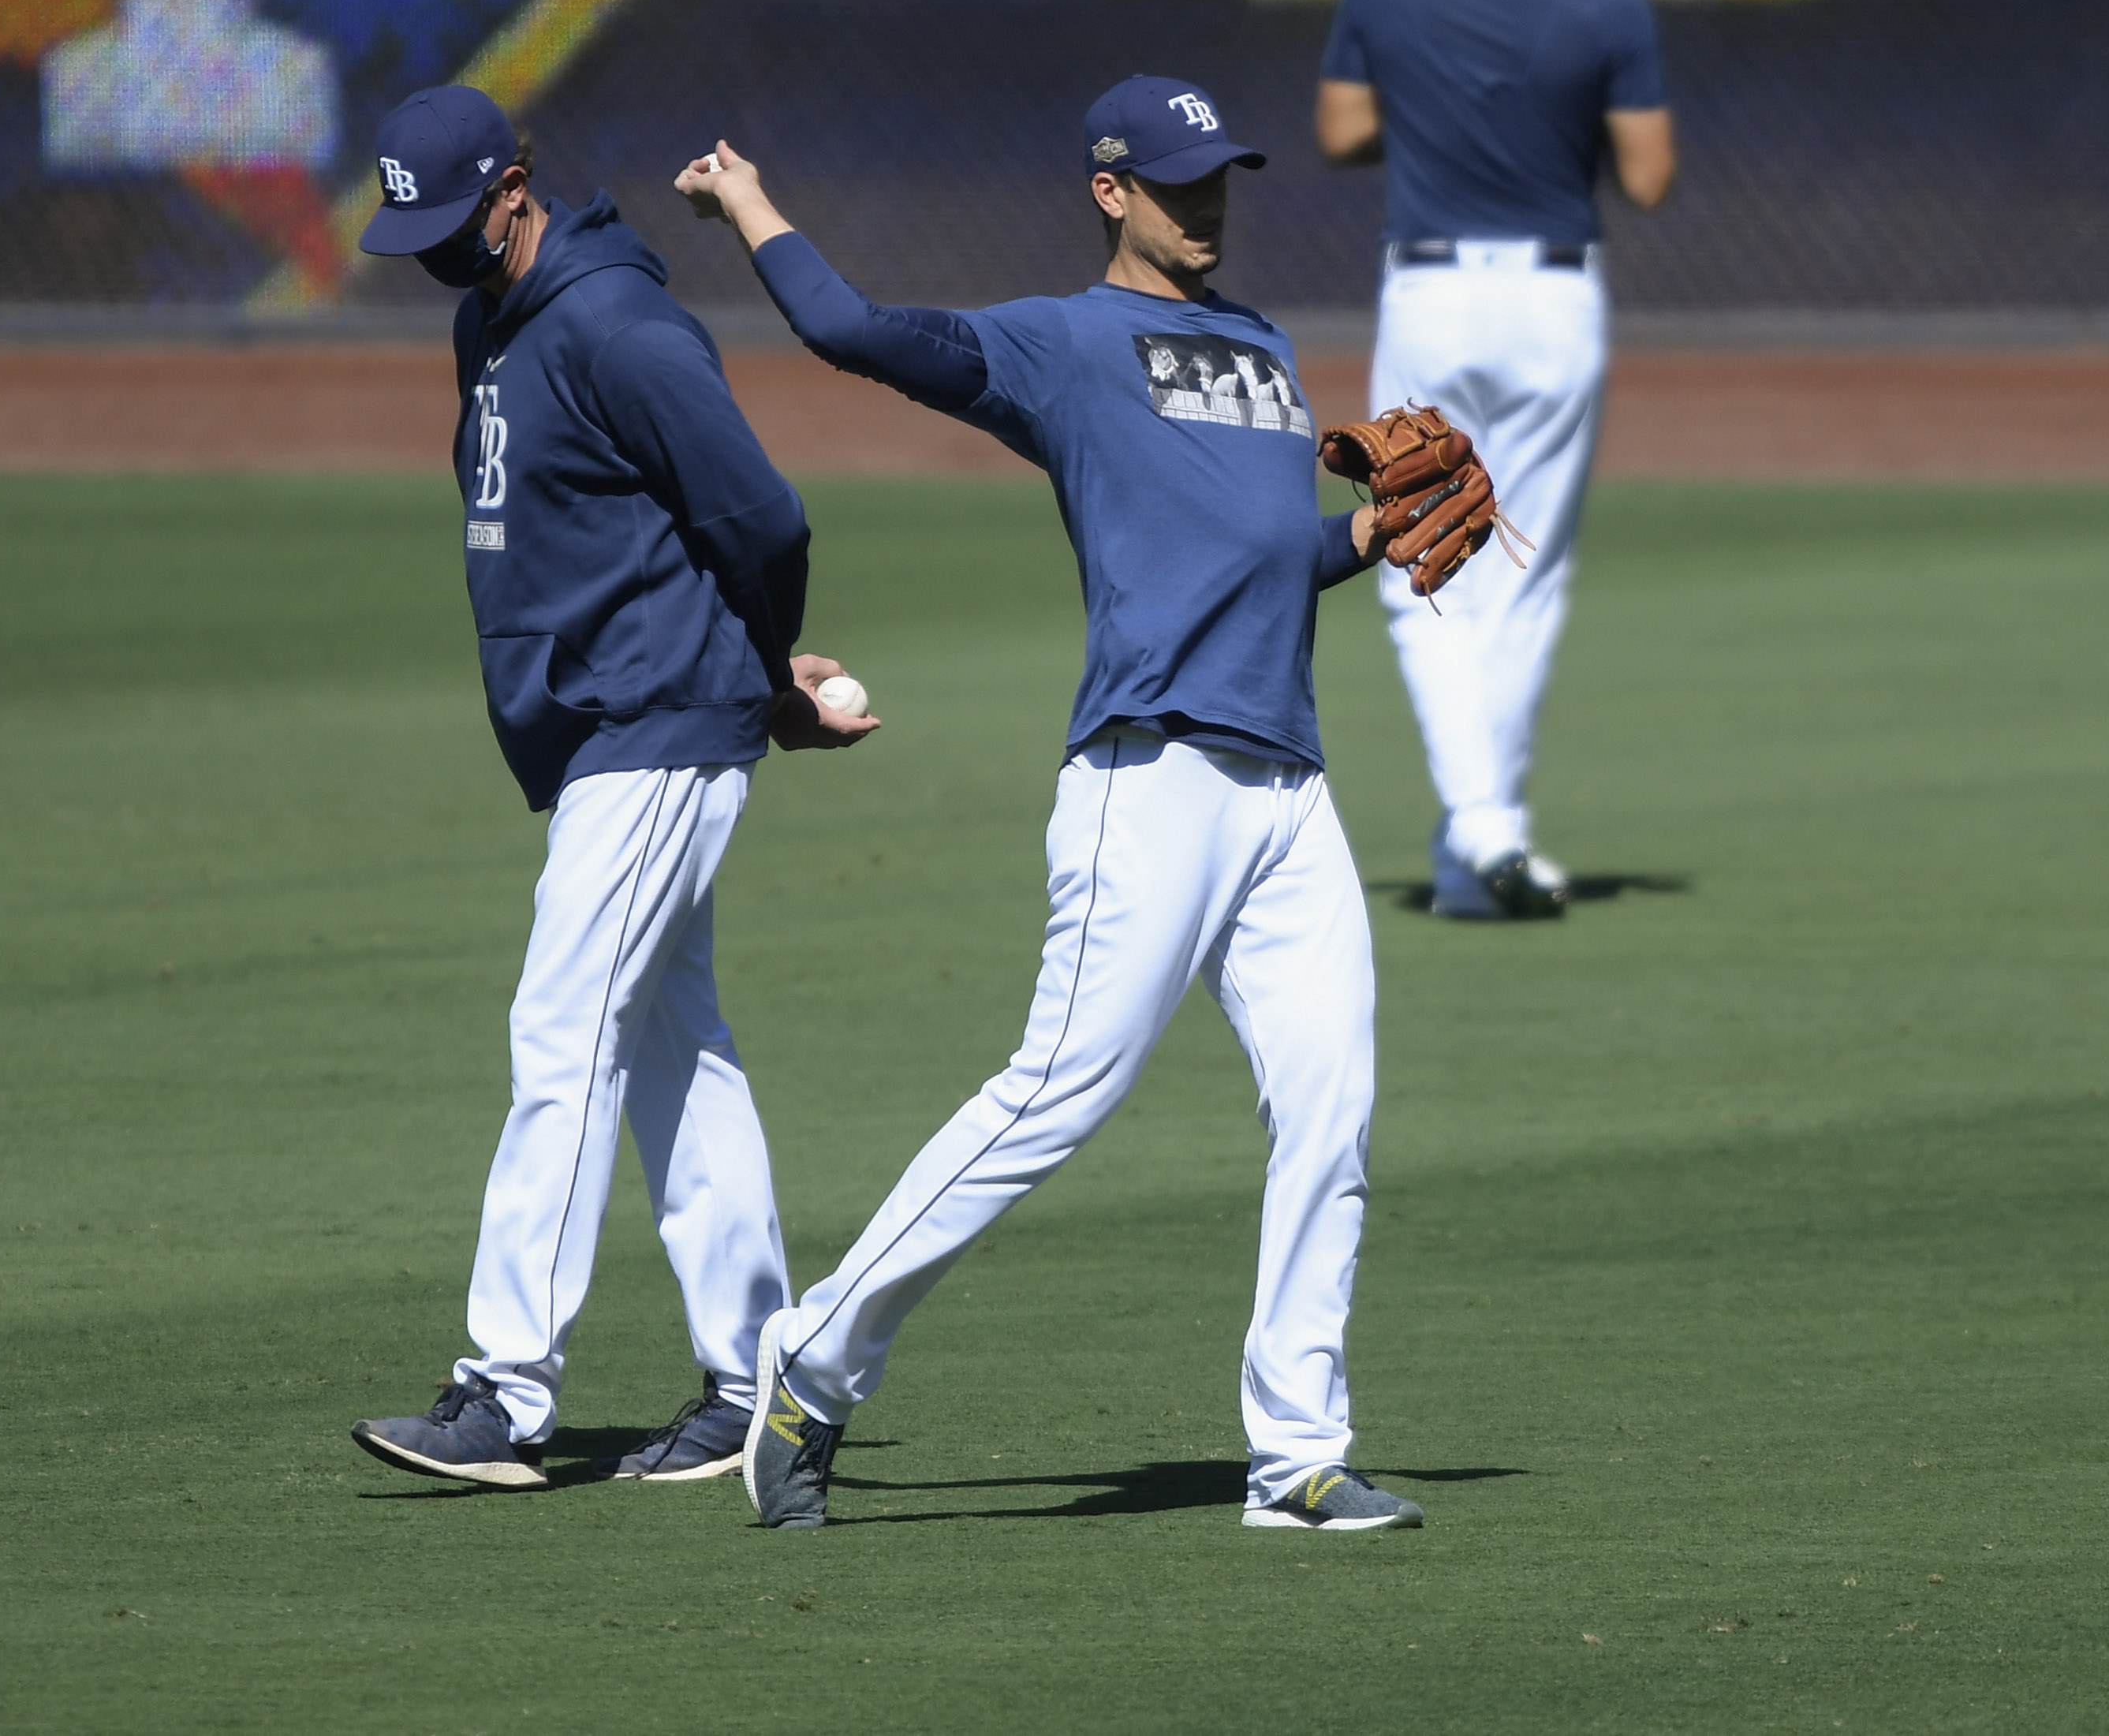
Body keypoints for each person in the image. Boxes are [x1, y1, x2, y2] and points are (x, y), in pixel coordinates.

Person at [672, 75, 1429, 1534]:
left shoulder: (1267, 346)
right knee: (1056, 1093)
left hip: (1290, 789)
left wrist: (1366, 535)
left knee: (1331, 1109)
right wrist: (751, 203)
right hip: (1149, 779)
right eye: (1177, 176)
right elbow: (853, 333)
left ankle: (1298, 1455)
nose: (1206, 197)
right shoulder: (1061, 343)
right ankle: (809, 1360)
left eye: (1221, 174)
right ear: (1110, 190)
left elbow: (1268, 557)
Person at [344, 83, 879, 1492]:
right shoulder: (494, 321)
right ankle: (757, 1372)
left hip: (662, 723)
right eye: (418, 232)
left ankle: (503, 1394)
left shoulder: (617, 323)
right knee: (666, 1049)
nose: (441, 253)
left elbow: (762, 513)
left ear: (516, 186)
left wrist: (766, 676)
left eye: (456, 221)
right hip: (611, 728)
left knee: (565, 1026)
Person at [1315, 0, 1678, 920]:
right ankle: (1484, 828)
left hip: (1427, 291)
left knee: (1426, 549)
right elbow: (1652, 178)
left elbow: (1337, 134)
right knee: (1519, 575)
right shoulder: (1610, 4)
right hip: (1551, 298)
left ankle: (1476, 845)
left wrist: (1437, 117)